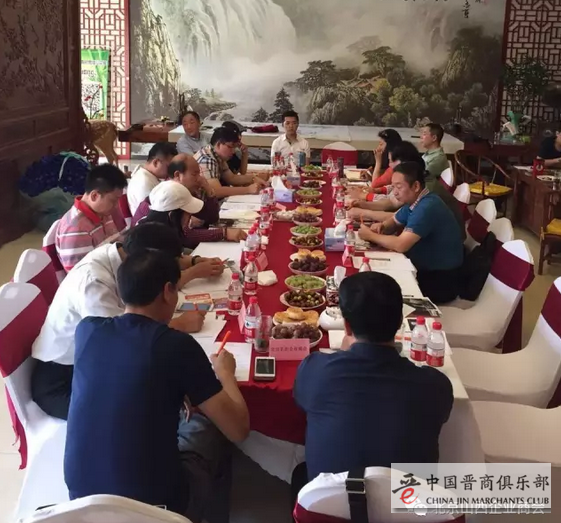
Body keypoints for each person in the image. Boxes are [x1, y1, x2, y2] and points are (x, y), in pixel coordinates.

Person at [65, 249, 250, 521]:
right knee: (208, 427)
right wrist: (226, 374)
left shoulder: (87, 330)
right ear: (167, 291)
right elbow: (238, 429)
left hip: (83, 506)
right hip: (156, 511)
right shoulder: (177, 346)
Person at [31, 222, 224, 420]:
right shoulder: (94, 282)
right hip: (62, 380)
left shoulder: (121, 255)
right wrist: (180, 324)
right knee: (155, 401)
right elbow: (123, 341)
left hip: (94, 364)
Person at [292, 272, 453, 489]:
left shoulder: (316, 371)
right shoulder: (436, 386)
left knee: (300, 471)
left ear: (346, 327)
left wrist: (344, 354)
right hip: (407, 503)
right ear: (399, 322)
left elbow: (303, 400)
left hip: (330, 503)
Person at [358, 162, 464, 304]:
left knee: (377, 292)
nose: (395, 192)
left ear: (416, 186)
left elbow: (401, 245)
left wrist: (370, 235)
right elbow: (394, 221)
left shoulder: (428, 207)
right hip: (424, 269)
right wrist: (382, 226)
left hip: (440, 280)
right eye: (393, 187)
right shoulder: (416, 201)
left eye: (399, 187)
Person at [56, 165, 127, 272]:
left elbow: (115, 245)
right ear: (94, 196)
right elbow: (81, 275)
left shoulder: (103, 212)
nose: (117, 206)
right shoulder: (76, 229)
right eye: (113, 201)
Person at [138, 180, 247, 249]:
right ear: (172, 216)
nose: (199, 178)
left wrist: (194, 261)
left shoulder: (163, 224)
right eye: (194, 174)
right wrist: (194, 271)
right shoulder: (149, 242)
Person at [195, 127, 267, 199]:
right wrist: (248, 189)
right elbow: (216, 192)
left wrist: (253, 178)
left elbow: (231, 178)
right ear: (218, 144)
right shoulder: (207, 159)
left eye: (234, 147)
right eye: (230, 147)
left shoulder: (217, 155)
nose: (233, 151)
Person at [127, 142, 177, 215]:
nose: (171, 171)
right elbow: (153, 214)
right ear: (156, 162)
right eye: (169, 167)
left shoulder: (147, 176)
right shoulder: (144, 182)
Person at [420, 123, 449, 190]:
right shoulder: (429, 153)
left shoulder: (438, 158)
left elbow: (421, 177)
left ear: (434, 138)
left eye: (424, 134)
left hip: (429, 192)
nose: (421, 137)